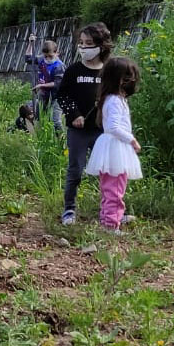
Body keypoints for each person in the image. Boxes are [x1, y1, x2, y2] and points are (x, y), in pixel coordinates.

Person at [54, 23, 112, 225]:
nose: (84, 48)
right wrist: (74, 114)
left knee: (108, 171)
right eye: (81, 43)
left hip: (102, 131)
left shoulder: (108, 71)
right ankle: (69, 209)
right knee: (76, 169)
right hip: (78, 131)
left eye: (89, 43)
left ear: (101, 45)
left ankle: (110, 210)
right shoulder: (73, 70)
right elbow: (63, 96)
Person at [84, 57, 143, 233]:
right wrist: (131, 139)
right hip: (115, 147)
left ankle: (109, 217)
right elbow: (113, 127)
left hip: (112, 147)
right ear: (119, 79)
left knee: (110, 187)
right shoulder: (115, 100)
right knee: (115, 189)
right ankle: (111, 224)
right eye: (128, 77)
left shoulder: (112, 99)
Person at [26, 39, 65, 129]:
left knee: (55, 120)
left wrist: (41, 85)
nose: (47, 59)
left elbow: (57, 83)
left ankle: (60, 140)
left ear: (56, 53)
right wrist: (31, 43)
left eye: (50, 56)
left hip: (57, 96)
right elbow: (28, 59)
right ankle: (40, 138)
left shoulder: (59, 66)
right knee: (38, 118)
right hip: (44, 94)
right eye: (45, 56)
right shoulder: (41, 60)